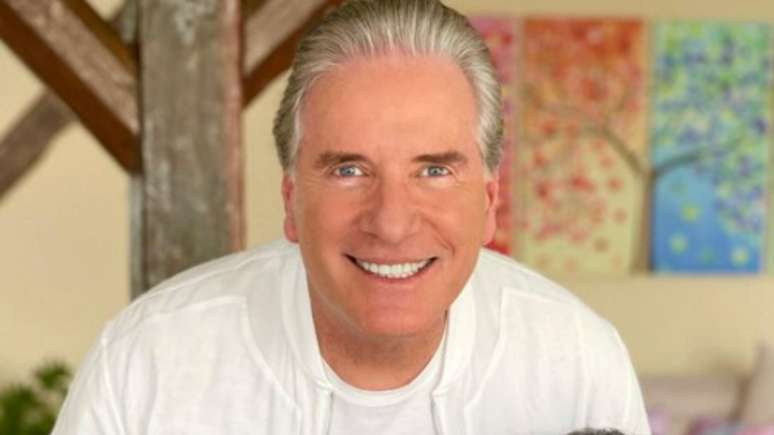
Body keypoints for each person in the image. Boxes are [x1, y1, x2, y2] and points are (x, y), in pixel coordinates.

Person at [53, 0, 651, 434]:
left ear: (489, 201)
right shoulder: (149, 362)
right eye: (348, 170)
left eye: (433, 170)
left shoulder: (577, 360)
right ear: (291, 200)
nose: (391, 223)